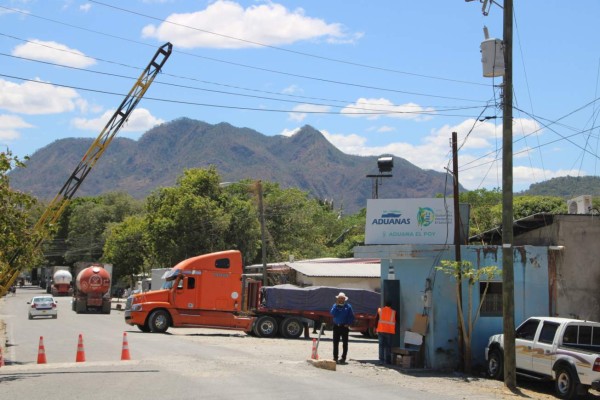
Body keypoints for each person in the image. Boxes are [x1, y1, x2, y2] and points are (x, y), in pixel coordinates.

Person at [330, 292, 355, 365]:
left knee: (345, 343)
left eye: (342, 298)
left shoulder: (348, 307)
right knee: (335, 343)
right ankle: (335, 357)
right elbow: (332, 313)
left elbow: (351, 317)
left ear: (344, 299)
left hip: (344, 327)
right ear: (338, 299)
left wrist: (348, 324)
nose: (341, 300)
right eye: (339, 298)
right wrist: (336, 306)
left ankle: (343, 358)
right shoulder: (335, 306)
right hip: (336, 326)